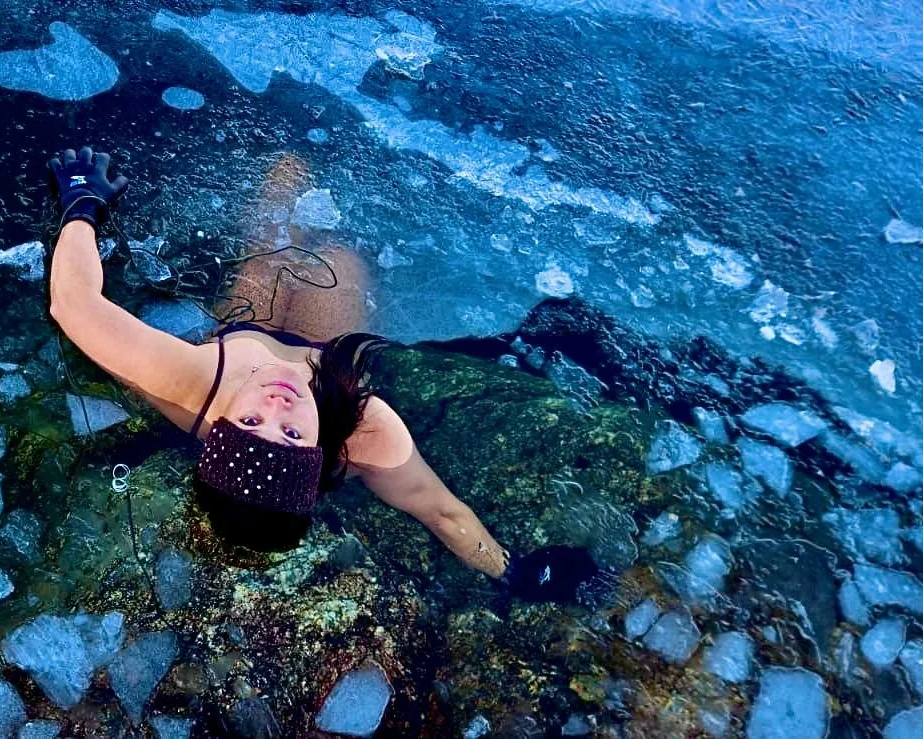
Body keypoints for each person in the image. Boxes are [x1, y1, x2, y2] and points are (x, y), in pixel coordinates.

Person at [45, 146, 598, 607]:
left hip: (241, 330)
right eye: (290, 432)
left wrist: (81, 203)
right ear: (317, 448)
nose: (277, 402)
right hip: (322, 348)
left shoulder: (190, 384)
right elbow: (441, 510)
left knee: (271, 231)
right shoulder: (366, 433)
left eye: (252, 420)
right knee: (337, 258)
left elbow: (75, 306)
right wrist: (514, 572)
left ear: (220, 427)